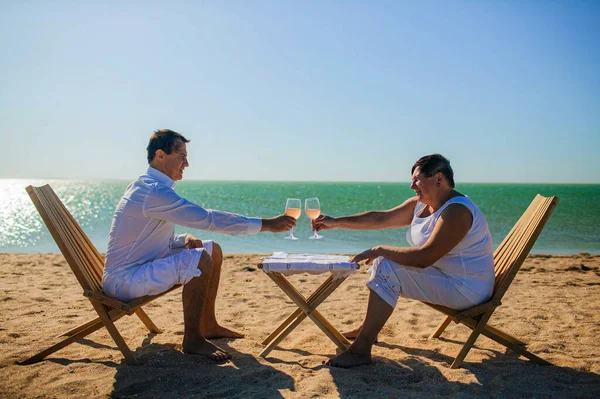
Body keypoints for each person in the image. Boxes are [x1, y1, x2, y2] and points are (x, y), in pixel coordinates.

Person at [102, 129, 296, 361]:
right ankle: (192, 338)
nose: (187, 163)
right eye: (181, 156)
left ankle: (208, 325)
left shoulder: (149, 186)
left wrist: (182, 239)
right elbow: (207, 219)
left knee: (212, 249)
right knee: (200, 258)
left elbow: (146, 241)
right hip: (125, 280)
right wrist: (266, 224)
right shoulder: (153, 191)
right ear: (160, 155)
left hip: (139, 264)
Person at [312, 154, 495, 368]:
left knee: (387, 265)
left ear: (438, 179)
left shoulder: (457, 211)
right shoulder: (422, 206)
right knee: (386, 263)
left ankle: (361, 349)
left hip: (466, 289)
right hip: (448, 278)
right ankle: (366, 331)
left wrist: (380, 250)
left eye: (417, 179)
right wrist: (336, 222)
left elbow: (424, 259)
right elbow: (381, 218)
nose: (411, 186)